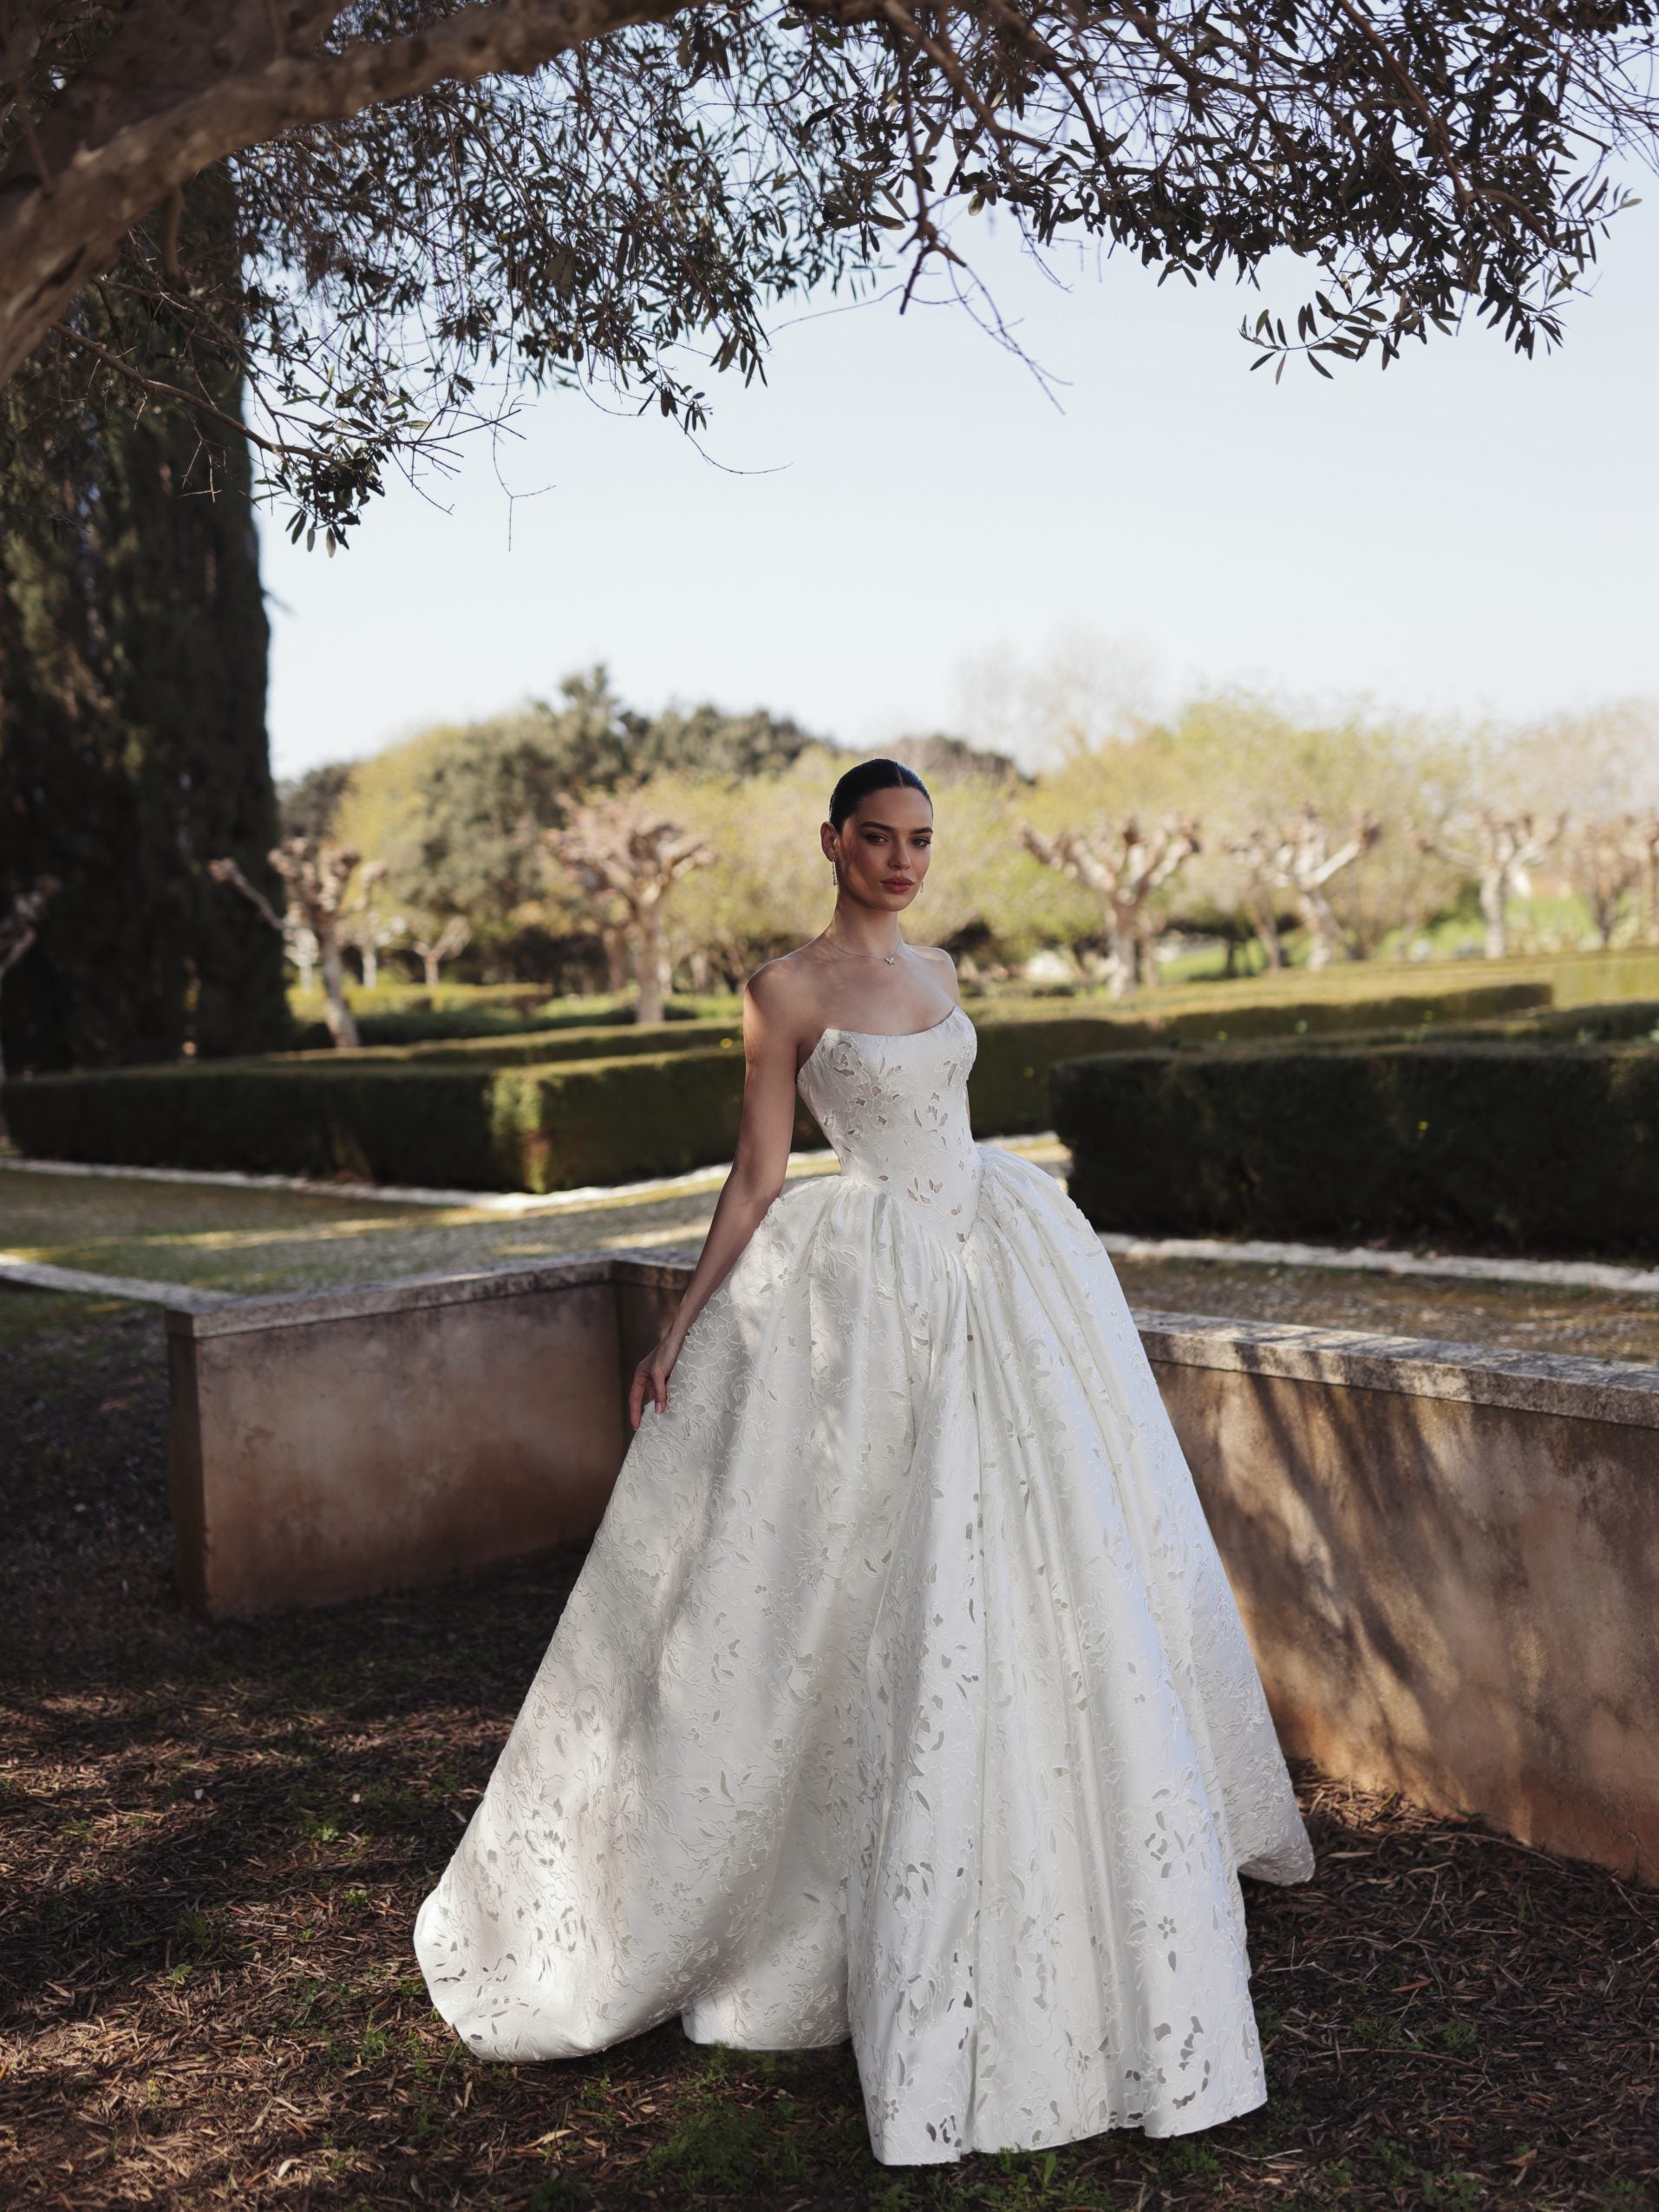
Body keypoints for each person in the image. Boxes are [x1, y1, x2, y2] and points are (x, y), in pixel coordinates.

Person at [413, 756, 1313, 2165]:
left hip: (1003, 1264)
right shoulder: (781, 990)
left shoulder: (941, 967)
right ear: (831, 840)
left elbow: (950, 1120)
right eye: (880, 837)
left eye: (920, 841)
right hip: (874, 1290)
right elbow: (759, 1173)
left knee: (1048, 1561)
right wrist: (680, 1321)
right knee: (864, 1581)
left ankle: (1069, 1858)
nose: (902, 860)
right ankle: (847, 1891)